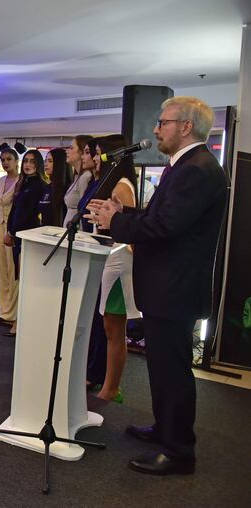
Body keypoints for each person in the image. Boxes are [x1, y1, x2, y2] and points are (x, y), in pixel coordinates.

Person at [87, 97, 227, 476]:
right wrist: (120, 214)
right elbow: (157, 217)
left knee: (173, 372)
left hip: (175, 288)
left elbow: (166, 228)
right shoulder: (184, 166)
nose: (154, 129)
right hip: (169, 286)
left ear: (185, 126)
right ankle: (166, 429)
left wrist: (116, 222)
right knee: (163, 368)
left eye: (162, 122)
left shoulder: (196, 169)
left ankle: (180, 451)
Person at [89, 135, 141, 403]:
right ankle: (110, 386)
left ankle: (112, 387)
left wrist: (106, 220)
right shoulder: (110, 184)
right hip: (110, 259)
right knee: (110, 326)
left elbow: (129, 229)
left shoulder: (122, 187)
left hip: (120, 263)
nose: (96, 159)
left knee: (113, 327)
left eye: (99, 153)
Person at [5, 150, 48, 335]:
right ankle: (17, 320)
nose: (28, 165)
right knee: (18, 278)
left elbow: (31, 214)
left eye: (32, 161)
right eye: (26, 161)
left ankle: (20, 323)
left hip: (28, 237)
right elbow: (14, 210)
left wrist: (14, 231)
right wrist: (9, 230)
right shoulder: (22, 184)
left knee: (25, 280)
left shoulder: (41, 186)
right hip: (18, 236)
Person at [0, 148, 19, 325]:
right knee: (2, 270)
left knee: (13, 271)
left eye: (9, 159)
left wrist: (12, 231)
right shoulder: (1, 180)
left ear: (16, 161)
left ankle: (13, 312)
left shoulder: (21, 181)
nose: (5, 162)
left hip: (13, 230)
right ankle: (3, 310)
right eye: (2, 159)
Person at [63, 135, 94, 226]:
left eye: (71, 148)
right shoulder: (78, 177)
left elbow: (84, 210)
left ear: (81, 152)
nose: (67, 151)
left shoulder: (85, 177)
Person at [40, 148, 73, 227]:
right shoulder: (47, 187)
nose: (46, 164)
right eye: (46, 160)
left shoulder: (68, 189)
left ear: (59, 163)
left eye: (50, 161)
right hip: (43, 233)